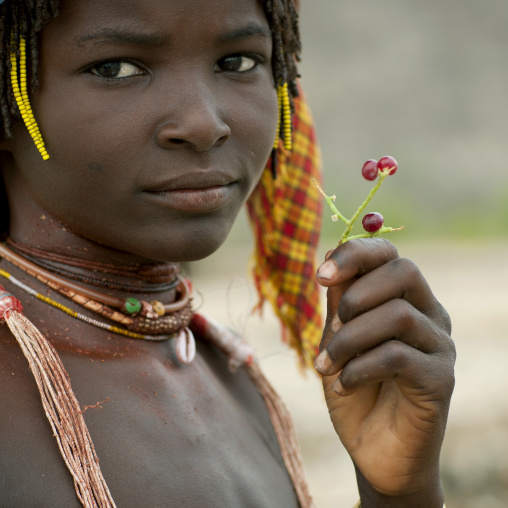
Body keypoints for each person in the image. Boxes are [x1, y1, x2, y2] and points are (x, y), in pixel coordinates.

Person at [0, 0, 455, 507]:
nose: (204, 124)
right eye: (116, 68)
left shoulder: (227, 374)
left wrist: (398, 491)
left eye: (237, 62)